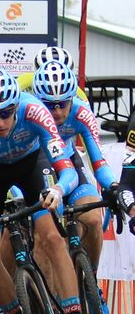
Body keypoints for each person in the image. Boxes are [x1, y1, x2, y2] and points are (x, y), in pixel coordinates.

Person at [0, 67, 92, 314]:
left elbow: (65, 167)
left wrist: (59, 191)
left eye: (6, 114)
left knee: (50, 236)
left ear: (16, 106)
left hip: (32, 165)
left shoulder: (34, 110)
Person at [31, 61, 118, 288]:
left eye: (63, 104)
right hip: (39, 166)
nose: (57, 111)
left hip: (70, 163)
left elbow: (98, 161)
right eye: (50, 105)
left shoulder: (81, 111)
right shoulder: (29, 114)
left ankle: (91, 282)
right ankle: (49, 306)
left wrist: (114, 186)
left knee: (92, 218)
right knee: (46, 235)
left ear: (72, 99)